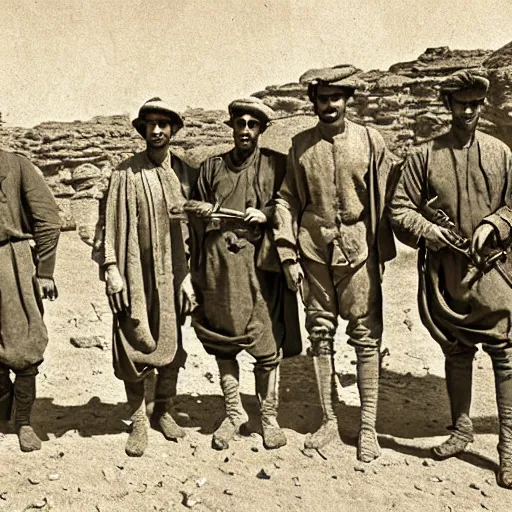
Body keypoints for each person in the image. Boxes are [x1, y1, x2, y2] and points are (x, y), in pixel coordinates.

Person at [389, 70, 512, 488]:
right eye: (461, 103)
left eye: (476, 103)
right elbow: (400, 210)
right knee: (457, 350)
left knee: (504, 354)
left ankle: (508, 450)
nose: (469, 110)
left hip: (494, 270)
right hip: (446, 275)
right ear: (448, 105)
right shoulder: (424, 156)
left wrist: (494, 223)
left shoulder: (501, 153)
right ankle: (461, 430)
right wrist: (432, 232)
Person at [273, 66, 396, 462]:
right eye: (322, 99)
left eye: (336, 98)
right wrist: (288, 252)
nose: (329, 106)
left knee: (365, 336)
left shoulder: (370, 141)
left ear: (348, 100)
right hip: (314, 251)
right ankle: (330, 420)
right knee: (320, 334)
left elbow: (392, 190)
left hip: (359, 250)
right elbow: (287, 200)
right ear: (314, 103)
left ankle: (368, 428)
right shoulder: (300, 145)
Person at [185, 97, 301, 450]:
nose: (246, 131)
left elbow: (289, 201)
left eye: (253, 125)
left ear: (261, 130)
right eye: (240, 124)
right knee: (223, 340)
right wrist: (202, 209)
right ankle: (234, 411)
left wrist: (266, 214)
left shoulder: (276, 165)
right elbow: (191, 208)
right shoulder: (211, 167)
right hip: (219, 267)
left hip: (259, 267)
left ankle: (268, 416)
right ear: (232, 127)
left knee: (265, 344)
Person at [97, 97, 197, 457]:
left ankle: (164, 410)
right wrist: (111, 269)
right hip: (132, 273)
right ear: (142, 130)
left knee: (171, 340)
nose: (156, 130)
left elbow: (193, 233)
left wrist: (188, 277)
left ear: (173, 130)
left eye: (163, 124)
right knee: (132, 339)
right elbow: (107, 226)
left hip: (173, 274)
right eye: (150, 124)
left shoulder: (186, 174)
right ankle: (138, 419)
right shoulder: (124, 174)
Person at [0, 150, 61, 452]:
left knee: (25, 344)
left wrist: (44, 271)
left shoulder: (16, 165)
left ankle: (23, 421)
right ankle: (3, 414)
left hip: (13, 260)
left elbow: (48, 218)